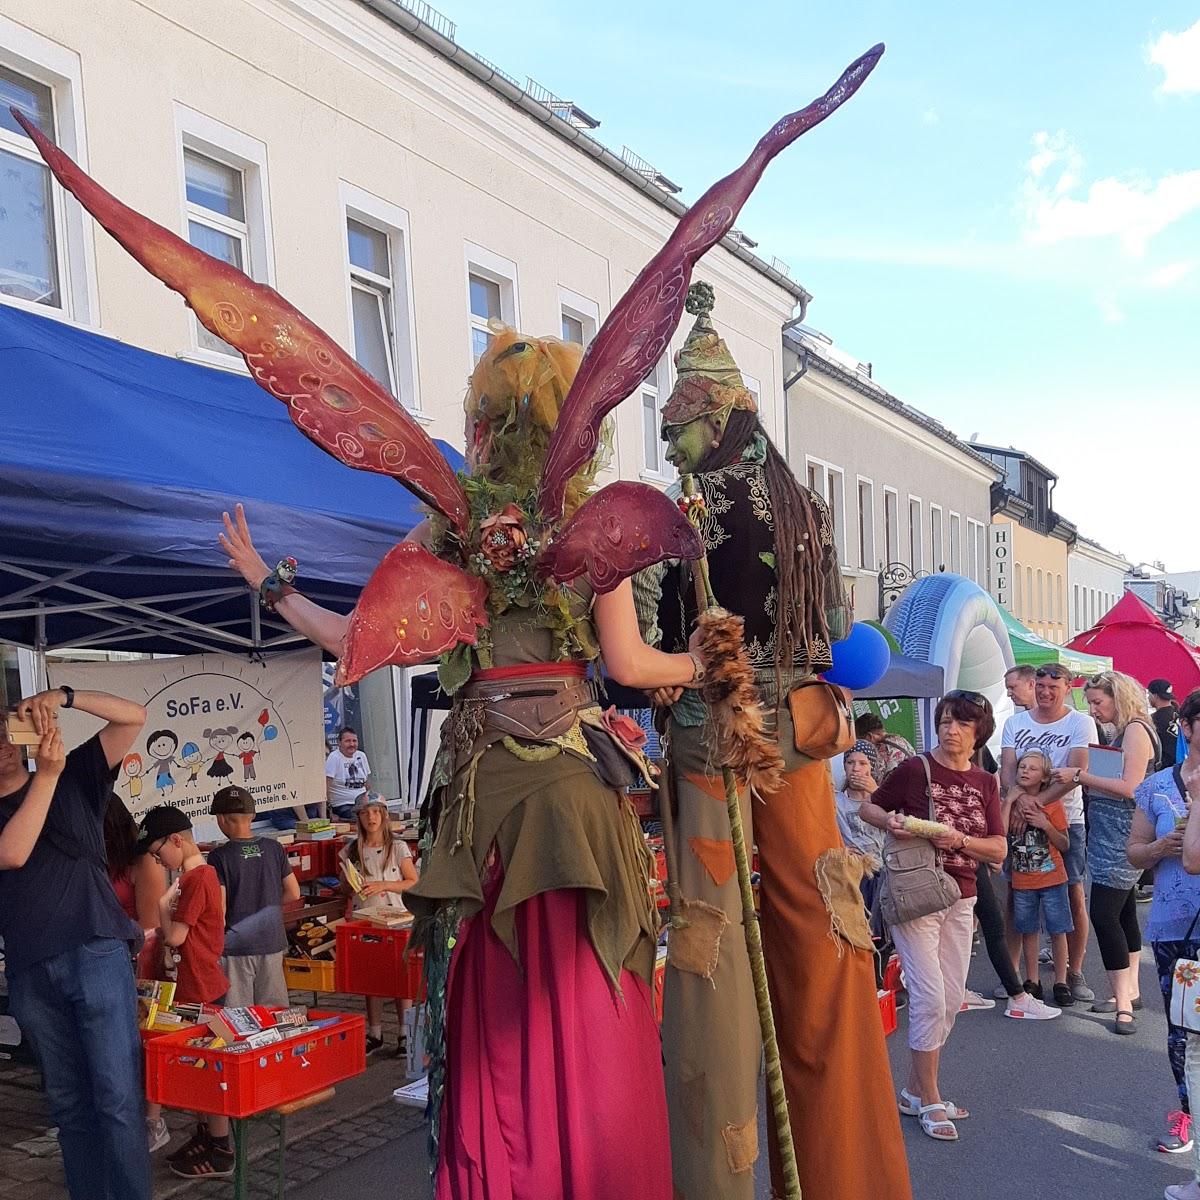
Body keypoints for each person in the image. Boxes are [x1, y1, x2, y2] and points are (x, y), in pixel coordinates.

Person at [216, 336, 706, 1200]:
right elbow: (630, 667)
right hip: (577, 803)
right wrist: (699, 664)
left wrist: (269, 582)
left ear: (483, 428)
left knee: (501, 1012)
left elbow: (353, 640)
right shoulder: (591, 531)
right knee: (594, 996)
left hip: (484, 807)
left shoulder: (452, 528)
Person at [639, 287, 911, 1200]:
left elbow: (659, 653)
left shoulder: (684, 518)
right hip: (803, 734)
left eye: (676, 426)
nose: (668, 444)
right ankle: (851, 1176)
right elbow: (836, 631)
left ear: (712, 416)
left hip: (716, 738)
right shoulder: (805, 508)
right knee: (826, 935)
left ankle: (721, 1182)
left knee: (710, 952)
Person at [0, 686, 151, 1200]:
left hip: (96, 948)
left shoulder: (74, 774)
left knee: (117, 1101)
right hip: (30, 968)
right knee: (70, 1105)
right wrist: (46, 775)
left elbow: (133, 716)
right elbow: (14, 852)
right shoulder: (53, 775)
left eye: (3, 726)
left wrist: (64, 697)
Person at [860, 691, 1008, 1142]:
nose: (951, 730)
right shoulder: (914, 768)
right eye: (945, 721)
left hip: (961, 896)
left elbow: (998, 849)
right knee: (930, 999)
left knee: (949, 999)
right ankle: (931, 1098)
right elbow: (869, 807)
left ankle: (911, 1089)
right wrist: (892, 823)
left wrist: (957, 839)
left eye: (962, 724)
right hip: (915, 892)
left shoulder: (986, 782)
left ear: (978, 732)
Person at [1051, 670, 1158, 1031]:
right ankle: (1130, 990)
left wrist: (1078, 776)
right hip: (1114, 834)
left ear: (1119, 697)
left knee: (1104, 915)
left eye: (1098, 702)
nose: (1094, 710)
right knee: (1124, 911)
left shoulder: (1135, 730)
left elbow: (1130, 787)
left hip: (1121, 836)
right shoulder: (1131, 729)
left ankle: (1123, 1004)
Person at [139, 804, 232, 1179]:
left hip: (202, 987)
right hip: (198, 983)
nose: (160, 862)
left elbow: (177, 935)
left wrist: (163, 908)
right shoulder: (198, 876)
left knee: (209, 1069)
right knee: (200, 1068)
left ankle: (221, 1148)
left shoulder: (196, 879)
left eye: (159, 854)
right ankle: (207, 1136)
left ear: (177, 840)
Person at [1128, 689, 1200, 1158]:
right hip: (1175, 926)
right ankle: (1187, 1114)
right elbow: (1133, 851)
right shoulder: (1157, 786)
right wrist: (1159, 850)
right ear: (1188, 728)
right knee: (1183, 1029)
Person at [1001, 661, 1097, 1003]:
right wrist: (1017, 805)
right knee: (1016, 893)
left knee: (1072, 894)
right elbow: (1008, 769)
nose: (1044, 693)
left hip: (1066, 818)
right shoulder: (1015, 722)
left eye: (1052, 688)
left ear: (1067, 687)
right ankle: (1013, 974)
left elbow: (1077, 772)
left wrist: (1034, 806)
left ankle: (1073, 971)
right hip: (1019, 821)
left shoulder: (1080, 722)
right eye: (1039, 687)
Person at [103, 794, 170, 1152]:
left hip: (136, 961)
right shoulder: (95, 860)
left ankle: (150, 1120)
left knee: (141, 1044)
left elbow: (151, 927)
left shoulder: (141, 861)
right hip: (104, 959)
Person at [338, 791, 419, 1056]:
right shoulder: (352, 849)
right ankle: (375, 1032)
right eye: (365, 813)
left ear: (384, 815)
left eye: (376, 812)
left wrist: (383, 884)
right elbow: (344, 887)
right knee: (371, 977)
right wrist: (347, 881)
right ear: (359, 817)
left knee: (400, 977)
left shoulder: (397, 847)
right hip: (367, 920)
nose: (371, 818)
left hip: (397, 919)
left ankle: (405, 1033)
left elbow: (412, 881)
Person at [208, 784, 299, 1008]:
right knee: (274, 1017)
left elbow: (219, 910)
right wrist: (268, 902)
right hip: (272, 942)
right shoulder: (274, 848)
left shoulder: (219, 856)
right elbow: (294, 892)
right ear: (253, 816)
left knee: (239, 1020)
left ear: (221, 819)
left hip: (236, 946)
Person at [1005, 750, 1073, 1005]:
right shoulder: (1011, 804)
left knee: (1058, 929)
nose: (1025, 771)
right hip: (1022, 880)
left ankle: (1061, 980)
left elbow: (1065, 844)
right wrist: (1009, 801)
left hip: (1052, 877)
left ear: (1044, 777)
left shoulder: (1052, 804)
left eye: (1033, 768)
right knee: (1027, 930)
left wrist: (1045, 824)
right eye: (1022, 766)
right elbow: (1000, 833)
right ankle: (1032, 980)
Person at [836, 740, 886, 897]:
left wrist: (876, 792)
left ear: (871, 767)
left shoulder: (885, 796)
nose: (856, 769)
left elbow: (899, 822)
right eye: (850, 762)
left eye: (862, 763)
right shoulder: (836, 802)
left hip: (885, 873)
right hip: (855, 876)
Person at [325, 728, 371, 820]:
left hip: (362, 802)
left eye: (354, 741)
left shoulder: (361, 755)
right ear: (339, 743)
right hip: (342, 805)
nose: (352, 744)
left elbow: (367, 783)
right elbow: (326, 787)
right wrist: (329, 812)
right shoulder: (334, 757)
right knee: (363, 817)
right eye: (347, 741)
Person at [855, 712, 916, 780]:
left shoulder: (878, 752)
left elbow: (877, 783)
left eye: (861, 741)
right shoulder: (901, 740)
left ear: (869, 736)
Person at [1151, 679, 1182, 772]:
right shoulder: (1180, 713)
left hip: (1164, 768)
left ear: (1155, 696)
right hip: (1181, 762)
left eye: (1149, 694)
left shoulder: (1154, 719)